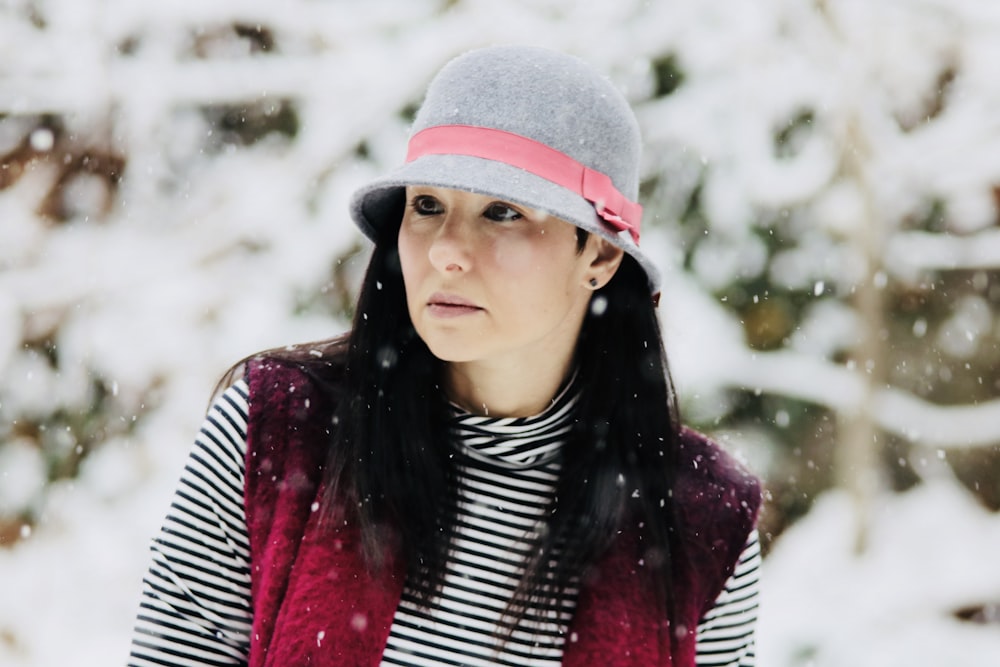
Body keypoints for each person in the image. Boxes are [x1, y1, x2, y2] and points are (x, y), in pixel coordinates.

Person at [127, 45, 762, 667]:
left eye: (503, 212)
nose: (446, 252)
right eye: (427, 206)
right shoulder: (278, 431)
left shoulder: (700, 521)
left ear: (597, 255)